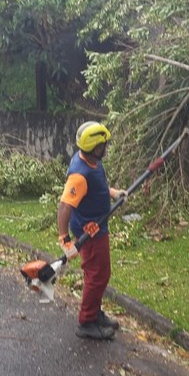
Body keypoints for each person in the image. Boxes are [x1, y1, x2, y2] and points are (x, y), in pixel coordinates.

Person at [57, 121, 127, 340]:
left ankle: (95, 312)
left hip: (98, 225)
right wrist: (65, 240)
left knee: (101, 273)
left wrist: (114, 193)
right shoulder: (79, 173)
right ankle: (86, 321)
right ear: (96, 147)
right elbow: (64, 206)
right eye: (104, 144)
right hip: (91, 231)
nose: (106, 147)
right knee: (97, 275)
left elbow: (98, 187)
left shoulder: (92, 161)